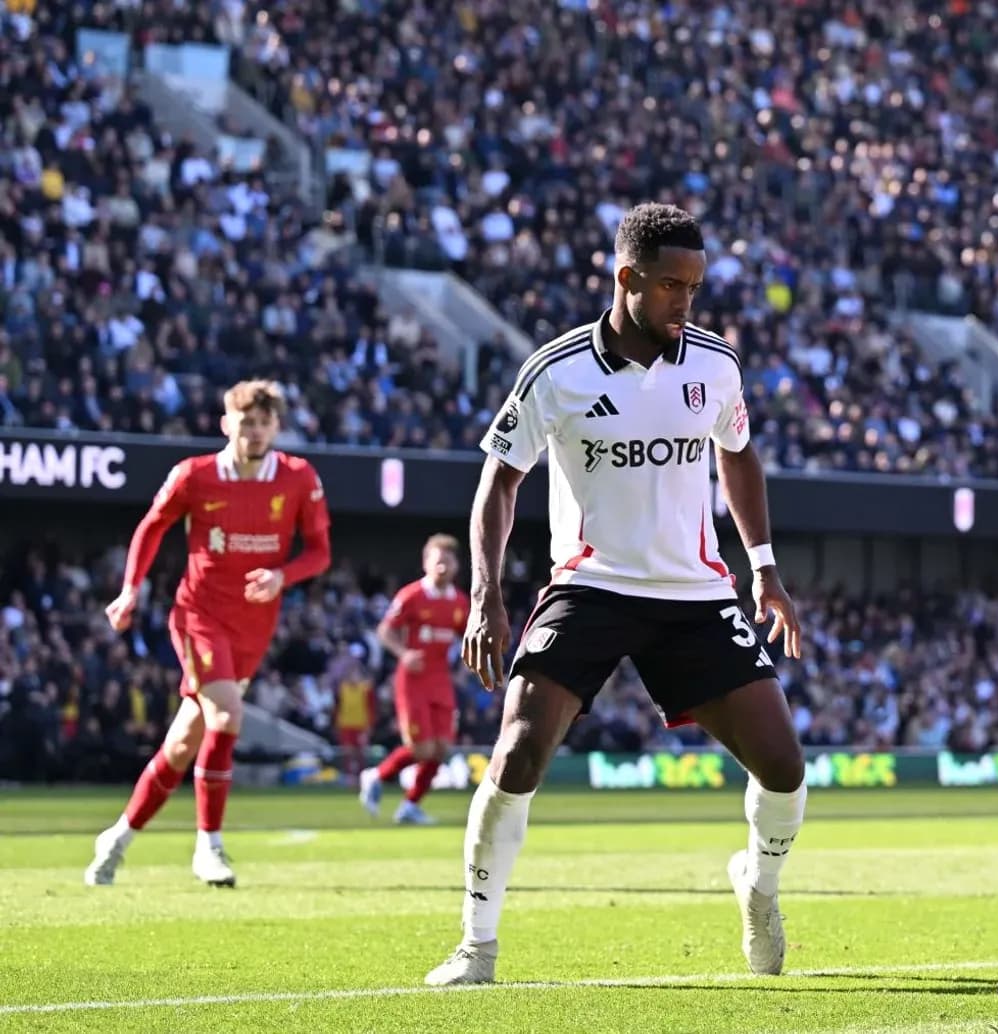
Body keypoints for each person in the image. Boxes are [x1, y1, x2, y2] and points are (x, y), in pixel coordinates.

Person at [425, 203, 807, 986]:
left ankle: (759, 889)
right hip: (591, 585)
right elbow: (499, 483)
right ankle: (477, 945)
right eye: (671, 285)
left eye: (695, 287)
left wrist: (763, 567)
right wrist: (485, 595)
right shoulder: (555, 372)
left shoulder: (715, 365)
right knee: (520, 749)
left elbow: (738, 457)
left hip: (695, 595)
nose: (685, 302)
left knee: (784, 766)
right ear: (625, 277)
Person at [84, 380, 333, 887]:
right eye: (246, 423)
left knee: (182, 746)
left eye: (264, 424)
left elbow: (320, 551)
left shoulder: (298, 478)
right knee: (226, 713)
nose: (255, 432)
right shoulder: (193, 476)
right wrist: (131, 589)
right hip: (198, 616)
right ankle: (209, 846)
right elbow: (152, 527)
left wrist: (284, 575)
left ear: (276, 428)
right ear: (227, 424)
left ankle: (117, 837)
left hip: (253, 627)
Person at [360, 534, 469, 824]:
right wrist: (403, 654)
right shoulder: (412, 596)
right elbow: (385, 630)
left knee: (442, 748)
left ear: (457, 565)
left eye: (449, 560)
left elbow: (467, 636)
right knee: (421, 748)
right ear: (426, 563)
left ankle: (410, 806)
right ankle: (375, 775)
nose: (443, 566)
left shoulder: (459, 602)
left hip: (441, 679)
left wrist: (464, 666)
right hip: (413, 680)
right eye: (438, 560)